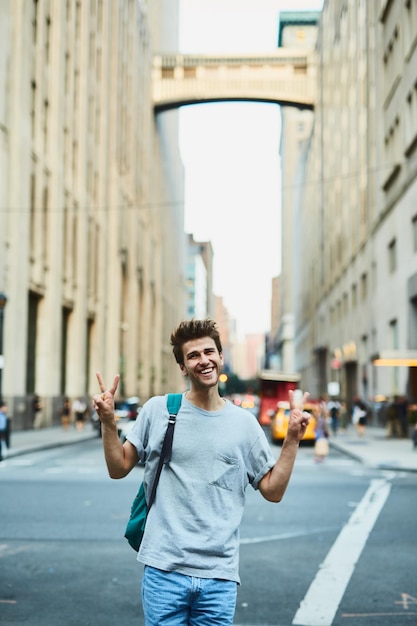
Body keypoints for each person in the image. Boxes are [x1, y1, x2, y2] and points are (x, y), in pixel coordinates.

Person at [93, 318, 311, 626]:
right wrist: (108, 422)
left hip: (219, 576)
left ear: (221, 357)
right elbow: (118, 468)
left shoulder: (245, 424)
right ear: (182, 367)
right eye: (193, 356)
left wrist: (292, 440)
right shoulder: (159, 410)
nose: (203, 360)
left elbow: (273, 491)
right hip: (163, 570)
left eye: (209, 352)